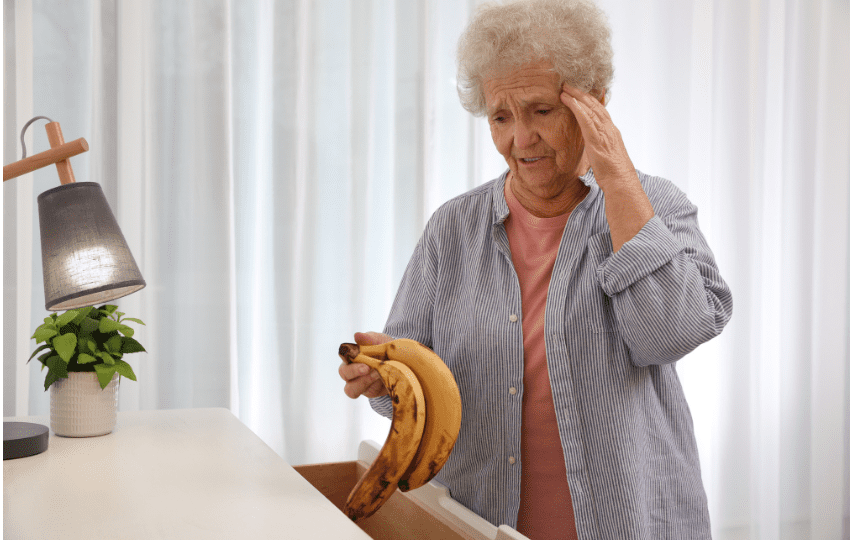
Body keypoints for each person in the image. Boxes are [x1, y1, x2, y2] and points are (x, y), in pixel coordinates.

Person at [338, 0, 732, 538]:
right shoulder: (452, 229)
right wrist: (379, 378)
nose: (520, 139)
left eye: (541, 111)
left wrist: (616, 176)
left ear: (592, 102)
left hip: (630, 523)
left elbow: (673, 332)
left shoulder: (656, 205)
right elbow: (417, 395)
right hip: (481, 523)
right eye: (501, 117)